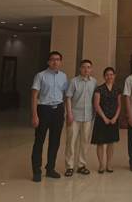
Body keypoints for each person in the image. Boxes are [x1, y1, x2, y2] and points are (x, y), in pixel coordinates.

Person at [30, 51, 68, 182]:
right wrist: (34, 115)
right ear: (48, 62)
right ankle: (36, 171)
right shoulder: (40, 76)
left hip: (58, 110)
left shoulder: (63, 76)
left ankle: (50, 168)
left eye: (58, 59)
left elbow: (65, 94)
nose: (55, 62)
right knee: (39, 140)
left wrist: (65, 111)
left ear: (60, 62)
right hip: (43, 109)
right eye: (52, 59)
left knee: (55, 141)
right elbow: (34, 96)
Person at [64, 59, 97, 177]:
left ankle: (81, 165)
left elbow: (95, 99)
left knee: (84, 142)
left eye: (88, 67)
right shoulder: (74, 81)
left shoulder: (94, 82)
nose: (86, 69)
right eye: (84, 67)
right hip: (74, 116)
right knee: (71, 142)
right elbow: (68, 98)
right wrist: (69, 113)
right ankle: (69, 166)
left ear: (91, 69)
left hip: (88, 117)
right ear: (80, 69)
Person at [91, 67, 122, 173]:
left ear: (114, 76)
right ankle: (101, 165)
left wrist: (115, 118)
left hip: (113, 119)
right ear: (104, 76)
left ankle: (109, 164)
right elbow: (96, 105)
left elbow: (119, 105)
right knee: (100, 143)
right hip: (101, 119)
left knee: (111, 142)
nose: (109, 77)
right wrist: (104, 118)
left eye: (111, 74)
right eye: (107, 75)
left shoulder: (117, 89)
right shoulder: (99, 89)